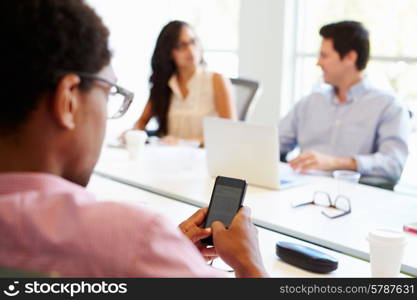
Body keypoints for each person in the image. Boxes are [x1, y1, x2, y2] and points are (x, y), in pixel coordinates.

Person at [0, 0, 267, 278]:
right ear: (68, 101)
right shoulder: (133, 238)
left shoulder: (214, 80)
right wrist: (250, 265)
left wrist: (168, 251)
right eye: (108, 94)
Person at [280, 21, 410, 183]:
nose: (318, 62)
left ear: (350, 57)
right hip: (300, 188)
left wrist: (336, 162)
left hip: (354, 195)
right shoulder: (310, 101)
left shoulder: (389, 106)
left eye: (324, 55)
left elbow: (393, 164)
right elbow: (275, 144)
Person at [123, 20, 236, 146]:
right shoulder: (164, 85)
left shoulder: (216, 81)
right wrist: (132, 134)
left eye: (193, 42)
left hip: (204, 158)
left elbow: (229, 134)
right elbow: (142, 122)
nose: (190, 50)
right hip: (171, 158)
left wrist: (186, 143)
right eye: (181, 45)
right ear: (169, 52)